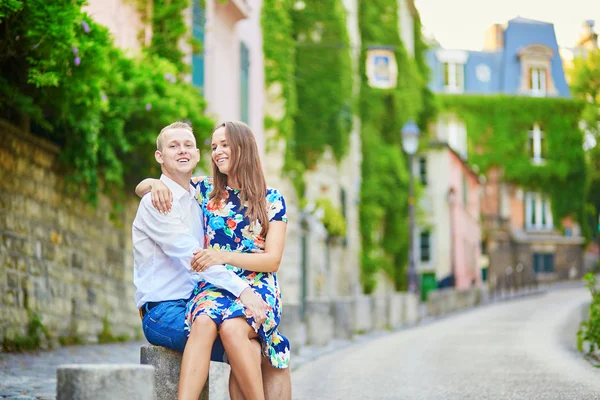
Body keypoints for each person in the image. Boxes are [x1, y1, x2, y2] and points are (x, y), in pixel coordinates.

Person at [135, 121, 291, 400]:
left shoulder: (272, 199)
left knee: (236, 332)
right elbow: (167, 181)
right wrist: (151, 183)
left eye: (225, 144)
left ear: (244, 148)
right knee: (231, 334)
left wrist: (221, 257)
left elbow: (273, 260)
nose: (217, 151)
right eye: (214, 146)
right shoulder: (206, 192)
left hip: (256, 285)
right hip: (214, 289)